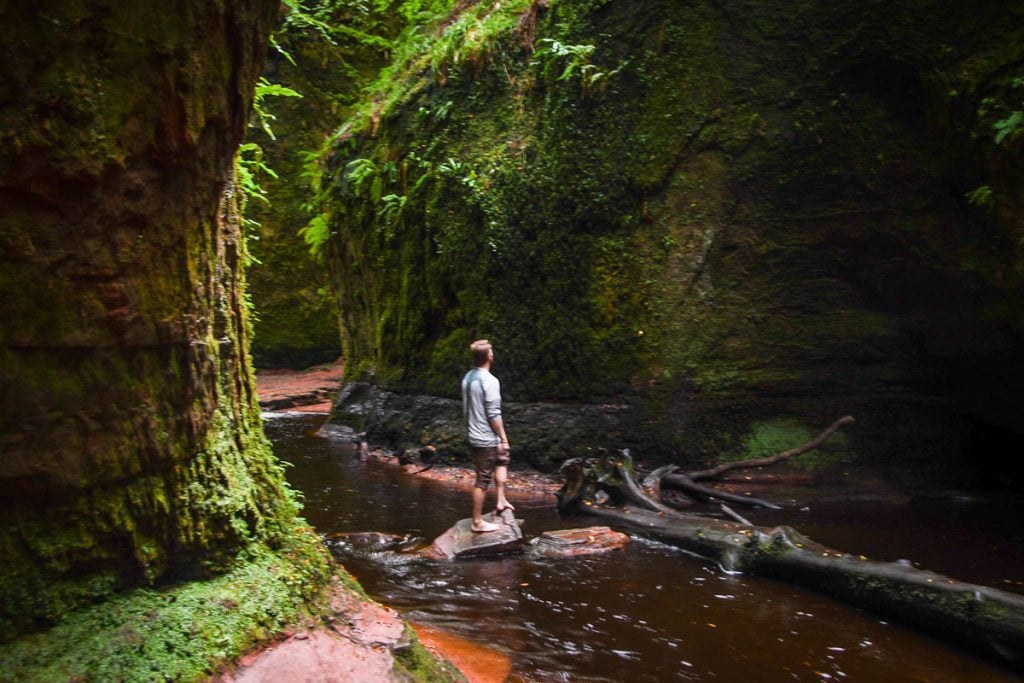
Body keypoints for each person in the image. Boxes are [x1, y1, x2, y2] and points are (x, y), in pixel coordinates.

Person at [461, 339, 514, 533]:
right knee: (483, 480)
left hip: (476, 433)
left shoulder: (467, 377)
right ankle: (477, 522)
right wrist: (503, 438)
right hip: (485, 437)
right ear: (489, 356)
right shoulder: (490, 381)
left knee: (503, 459)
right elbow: (494, 414)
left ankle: (501, 500)